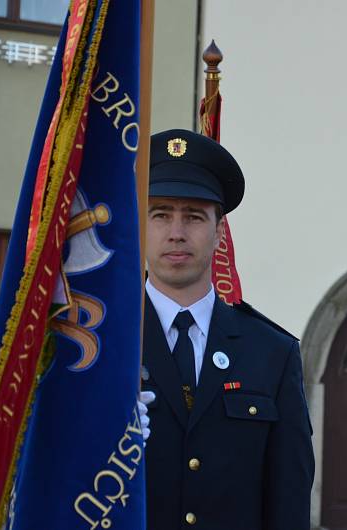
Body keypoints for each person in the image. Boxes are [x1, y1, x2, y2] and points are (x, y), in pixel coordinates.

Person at [140, 129, 314, 529]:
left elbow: (288, 499)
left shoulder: (271, 353)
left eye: (195, 216)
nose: (177, 232)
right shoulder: (102, 344)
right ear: (140, 224)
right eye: (161, 214)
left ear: (220, 232)